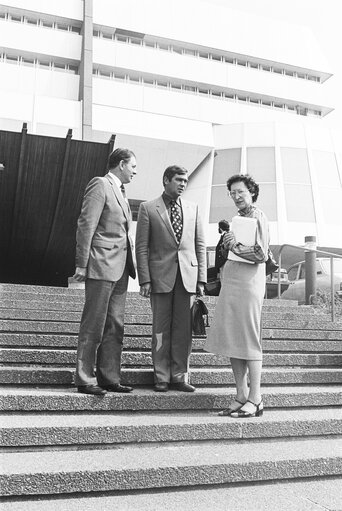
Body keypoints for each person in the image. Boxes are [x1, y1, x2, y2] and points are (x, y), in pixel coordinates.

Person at [135, 165, 207, 392]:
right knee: (160, 328)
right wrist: (144, 279)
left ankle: (180, 375)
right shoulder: (148, 208)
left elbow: (200, 246)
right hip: (159, 278)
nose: (183, 184)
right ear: (166, 180)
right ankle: (161, 376)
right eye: (178, 180)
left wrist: (202, 279)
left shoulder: (193, 208)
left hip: (187, 277)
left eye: (185, 180)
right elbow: (142, 247)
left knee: (183, 330)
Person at [73, 148, 137, 395]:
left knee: (115, 325)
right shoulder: (100, 184)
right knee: (94, 324)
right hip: (101, 264)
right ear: (121, 164)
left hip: (120, 268)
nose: (135, 171)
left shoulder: (121, 191)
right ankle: (85, 378)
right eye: (133, 166)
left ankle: (109, 378)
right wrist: (81, 262)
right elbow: (86, 223)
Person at [204, 174, 269, 417]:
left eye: (240, 191)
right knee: (233, 337)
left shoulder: (258, 215)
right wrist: (226, 243)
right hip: (231, 281)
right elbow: (228, 251)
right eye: (232, 193)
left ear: (251, 192)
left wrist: (235, 246)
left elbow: (261, 253)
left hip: (248, 283)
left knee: (249, 337)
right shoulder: (237, 219)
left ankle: (256, 398)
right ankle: (241, 394)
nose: (236, 196)